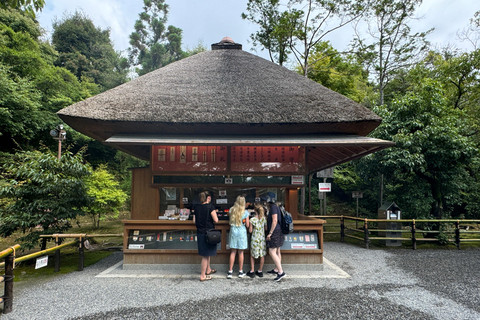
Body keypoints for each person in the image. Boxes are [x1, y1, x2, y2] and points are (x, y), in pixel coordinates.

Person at [193, 191, 218, 281]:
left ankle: (208, 269)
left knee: (206, 253)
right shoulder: (210, 207)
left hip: (200, 232)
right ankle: (203, 275)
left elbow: (194, 221)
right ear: (207, 198)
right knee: (205, 255)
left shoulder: (196, 208)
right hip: (209, 233)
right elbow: (216, 220)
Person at [263, 192, 286, 281]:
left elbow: (274, 220)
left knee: (272, 252)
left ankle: (281, 272)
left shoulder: (273, 208)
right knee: (277, 251)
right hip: (278, 231)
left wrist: (270, 233)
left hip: (275, 231)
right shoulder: (277, 207)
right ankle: (276, 269)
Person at [227, 195, 250, 279]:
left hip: (233, 231)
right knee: (241, 252)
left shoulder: (231, 210)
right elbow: (247, 225)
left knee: (233, 252)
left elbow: (229, 218)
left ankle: (230, 272)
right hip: (241, 232)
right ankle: (240, 271)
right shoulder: (245, 212)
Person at [246, 203, 267, 278]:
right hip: (262, 238)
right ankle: (260, 270)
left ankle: (252, 270)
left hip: (255, 239)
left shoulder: (252, 219)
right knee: (262, 255)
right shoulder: (264, 219)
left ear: (254, 210)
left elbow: (250, 231)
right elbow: (265, 228)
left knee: (252, 255)